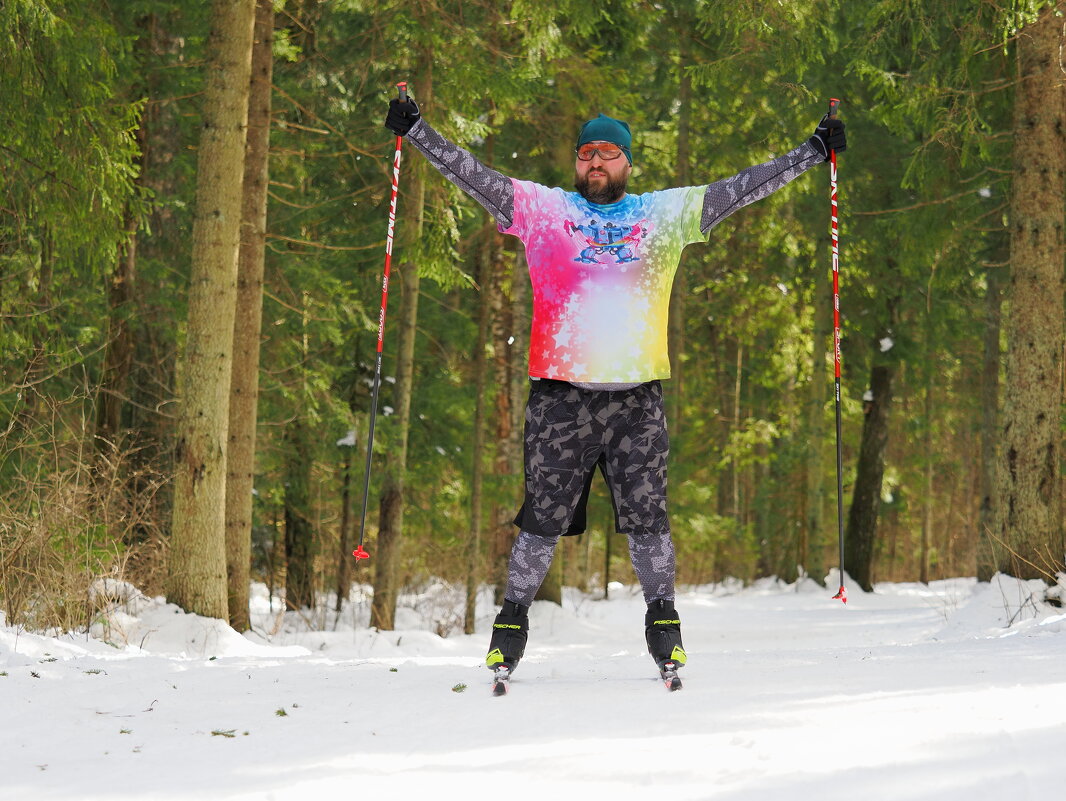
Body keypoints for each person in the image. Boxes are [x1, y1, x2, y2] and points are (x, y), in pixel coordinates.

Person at [384, 95, 846, 680]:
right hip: (560, 398)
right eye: (585, 153)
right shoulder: (542, 209)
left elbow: (742, 188)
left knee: (649, 520)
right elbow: (472, 175)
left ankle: (665, 628)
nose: (594, 162)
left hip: (636, 401)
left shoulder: (664, 214)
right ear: (576, 163)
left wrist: (812, 152)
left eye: (607, 152)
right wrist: (418, 131)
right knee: (539, 522)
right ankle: (509, 628)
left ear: (627, 162)